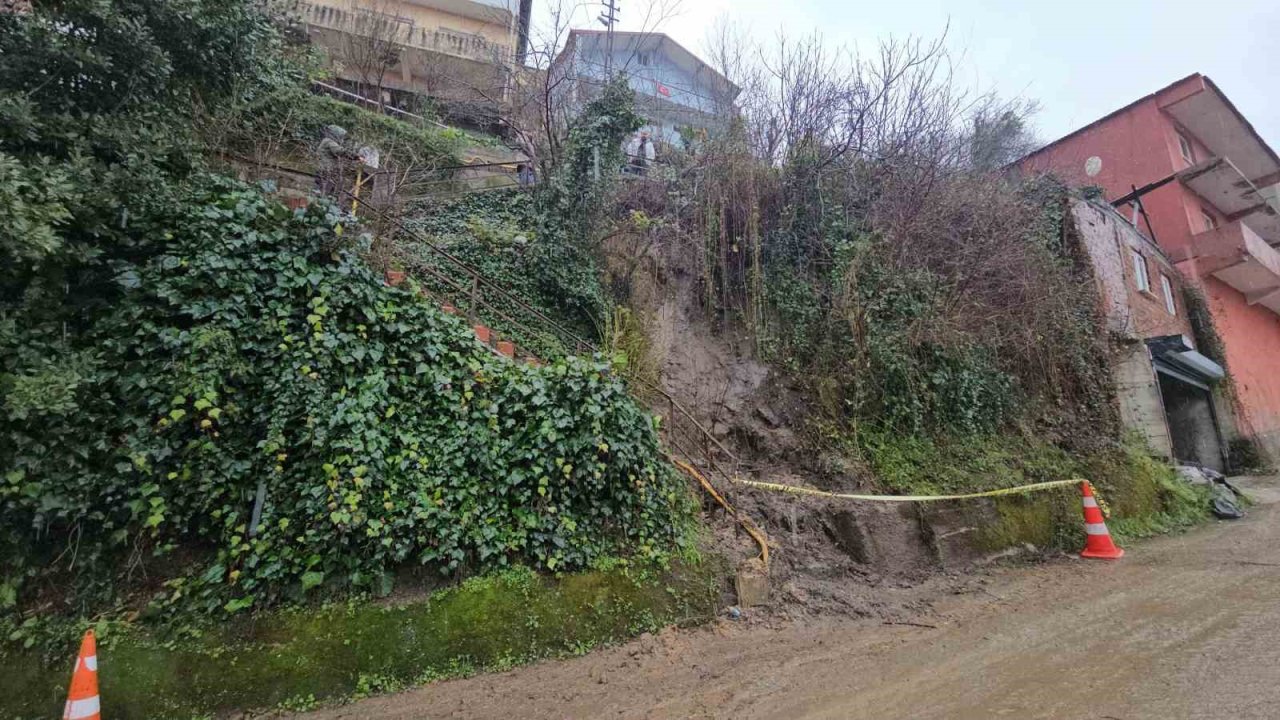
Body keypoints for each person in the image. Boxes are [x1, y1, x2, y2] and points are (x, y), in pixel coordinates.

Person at [316, 125, 356, 196]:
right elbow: (339, 151)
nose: (342, 139)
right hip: (325, 171)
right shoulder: (329, 141)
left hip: (324, 170)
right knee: (324, 193)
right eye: (341, 137)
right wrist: (356, 156)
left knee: (326, 191)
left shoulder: (327, 141)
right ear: (335, 134)